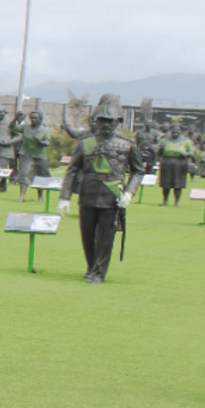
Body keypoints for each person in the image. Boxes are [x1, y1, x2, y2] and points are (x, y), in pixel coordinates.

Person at [59, 95, 143, 283]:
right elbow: (73, 169)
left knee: (105, 237)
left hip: (111, 195)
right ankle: (91, 267)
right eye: (101, 120)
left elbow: (138, 171)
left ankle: (99, 272)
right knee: (87, 234)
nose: (105, 125)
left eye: (109, 121)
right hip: (88, 193)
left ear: (118, 121)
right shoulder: (85, 142)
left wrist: (129, 192)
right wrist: (64, 197)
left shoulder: (127, 144)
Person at [155, 121, 195, 206]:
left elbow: (191, 153)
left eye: (177, 129)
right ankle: (165, 200)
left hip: (180, 163)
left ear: (181, 130)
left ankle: (177, 201)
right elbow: (157, 152)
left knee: (178, 183)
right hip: (167, 163)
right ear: (170, 131)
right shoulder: (164, 141)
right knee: (166, 183)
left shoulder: (186, 141)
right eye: (173, 129)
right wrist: (160, 150)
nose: (175, 131)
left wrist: (186, 154)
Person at [14, 110, 51, 201]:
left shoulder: (44, 130)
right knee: (24, 174)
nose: (33, 119)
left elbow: (47, 142)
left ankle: (40, 196)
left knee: (40, 176)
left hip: (39, 156)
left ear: (40, 119)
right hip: (26, 154)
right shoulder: (25, 128)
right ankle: (22, 196)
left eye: (35, 118)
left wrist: (40, 142)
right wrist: (15, 118)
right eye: (32, 118)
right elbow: (12, 127)